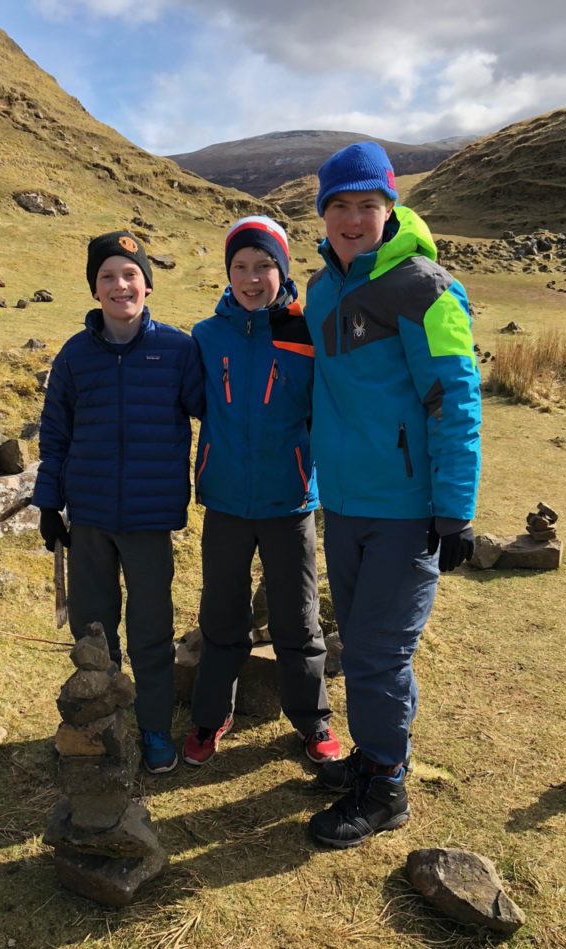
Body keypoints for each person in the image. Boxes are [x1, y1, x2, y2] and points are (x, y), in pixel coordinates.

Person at [304, 142, 481, 847]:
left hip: (406, 511)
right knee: (365, 645)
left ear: (391, 207)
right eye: (339, 206)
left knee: (378, 653)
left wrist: (456, 507)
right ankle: (375, 759)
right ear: (324, 214)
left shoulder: (423, 286)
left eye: (366, 205)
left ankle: (386, 790)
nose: (353, 219)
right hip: (343, 504)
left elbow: (455, 394)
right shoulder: (323, 289)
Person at [33, 230, 204, 774]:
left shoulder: (177, 351)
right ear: (94, 289)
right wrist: (47, 502)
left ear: (147, 285)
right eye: (107, 276)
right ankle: (96, 726)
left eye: (130, 274)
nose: (120, 284)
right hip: (88, 520)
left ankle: (154, 729)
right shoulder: (75, 355)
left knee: (151, 632)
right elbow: (55, 431)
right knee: (92, 631)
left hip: (150, 522)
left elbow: (216, 415)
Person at [182, 216, 339, 767]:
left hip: (291, 501)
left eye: (264, 266)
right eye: (241, 267)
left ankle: (313, 721)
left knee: (298, 619)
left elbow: (329, 412)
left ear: (282, 269)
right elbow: (191, 405)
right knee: (221, 617)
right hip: (224, 500)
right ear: (228, 273)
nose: (252, 278)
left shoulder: (305, 329)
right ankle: (210, 717)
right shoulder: (206, 335)